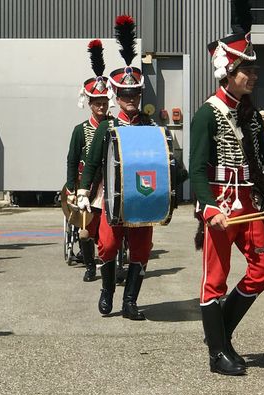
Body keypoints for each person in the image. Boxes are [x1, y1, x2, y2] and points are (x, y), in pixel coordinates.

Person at [189, 4, 264, 375]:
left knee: (262, 269)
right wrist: (209, 208)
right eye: (247, 69)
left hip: (250, 204)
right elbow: (195, 169)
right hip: (222, 208)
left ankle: (220, 335)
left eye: (254, 69)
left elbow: (263, 165)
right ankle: (217, 355)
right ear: (228, 71)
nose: (253, 75)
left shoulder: (251, 114)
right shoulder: (206, 113)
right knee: (215, 278)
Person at [77, 15, 159, 321]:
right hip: (111, 196)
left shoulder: (150, 124)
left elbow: (162, 159)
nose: (130, 99)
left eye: (134, 94)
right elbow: (95, 161)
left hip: (142, 195)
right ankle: (108, 291)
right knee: (108, 246)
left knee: (141, 249)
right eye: (125, 94)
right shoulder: (107, 126)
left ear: (140, 95)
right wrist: (84, 189)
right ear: (117, 96)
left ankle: (130, 302)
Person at [65, 39, 111, 282]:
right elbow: (72, 161)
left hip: (111, 185)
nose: (101, 106)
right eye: (97, 103)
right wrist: (72, 188)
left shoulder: (115, 125)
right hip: (88, 187)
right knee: (85, 232)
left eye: (104, 102)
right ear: (90, 104)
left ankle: (110, 264)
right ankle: (90, 266)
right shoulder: (80, 130)